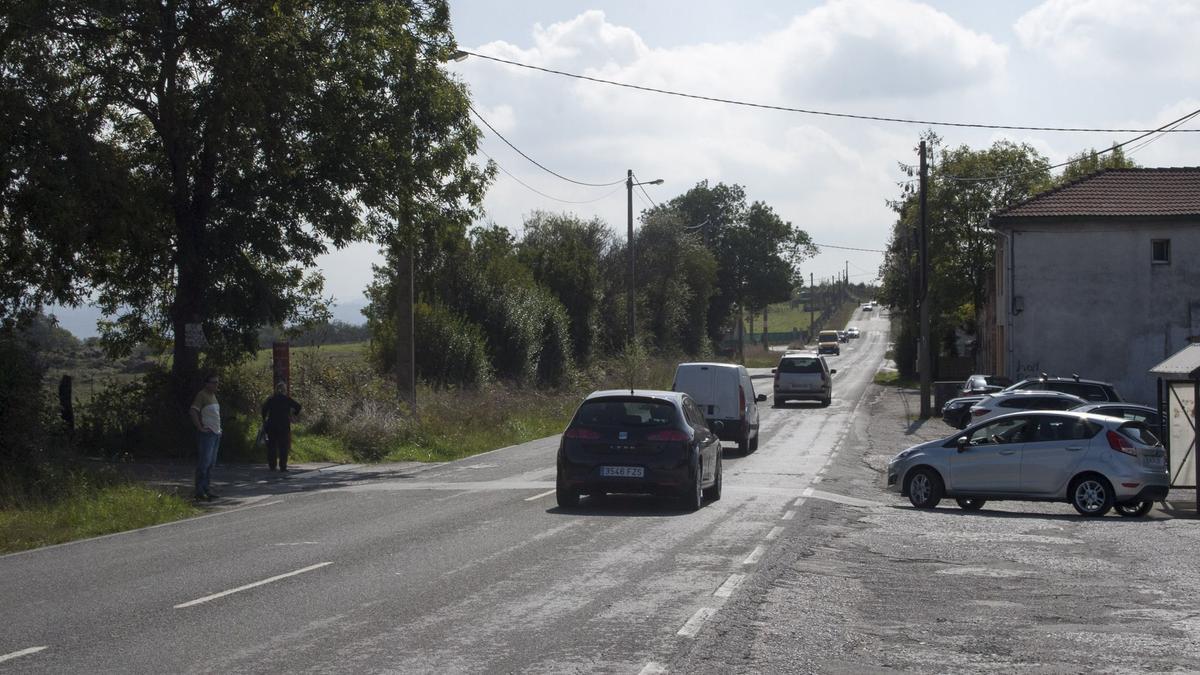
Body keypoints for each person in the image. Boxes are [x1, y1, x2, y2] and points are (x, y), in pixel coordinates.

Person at [189, 373, 222, 500]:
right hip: (207, 434)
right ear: (207, 384)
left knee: (210, 464)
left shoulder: (213, 396)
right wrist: (200, 427)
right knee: (204, 462)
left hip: (216, 433)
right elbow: (193, 411)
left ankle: (207, 488)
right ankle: (199, 490)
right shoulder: (201, 395)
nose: (216, 385)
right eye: (213, 382)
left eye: (217, 382)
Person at [261, 380, 301, 473]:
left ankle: (272, 466)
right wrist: (294, 414)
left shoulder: (271, 399)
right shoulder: (287, 399)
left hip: (272, 425)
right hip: (284, 425)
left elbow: (264, 410)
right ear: (284, 390)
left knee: (272, 446)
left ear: (276, 389)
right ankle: (283, 467)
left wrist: (264, 420)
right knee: (283, 446)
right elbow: (298, 406)